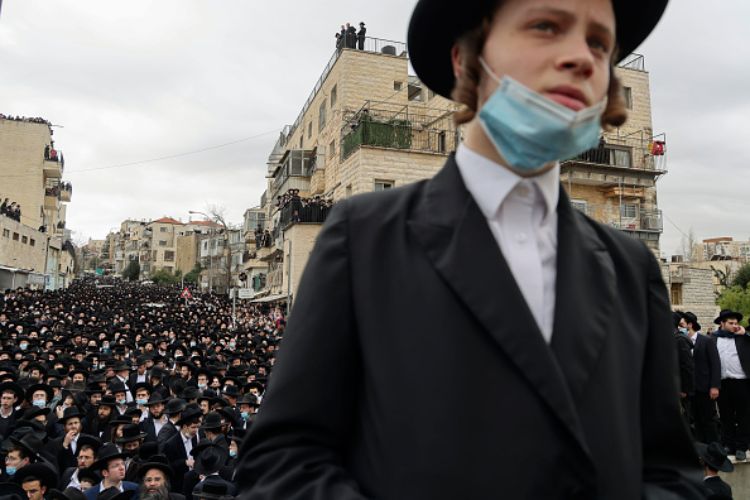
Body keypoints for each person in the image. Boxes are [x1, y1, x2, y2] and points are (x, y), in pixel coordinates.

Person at [236, 0, 704, 498]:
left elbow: (669, 470)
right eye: (546, 26)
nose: (583, 59)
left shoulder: (629, 266)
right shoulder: (365, 236)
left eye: (599, 43)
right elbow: (282, 462)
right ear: (466, 60)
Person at [714, 309, 750, 461]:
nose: (734, 326)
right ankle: (728, 444)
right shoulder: (713, 339)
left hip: (742, 382)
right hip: (723, 383)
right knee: (726, 415)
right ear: (722, 323)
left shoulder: (743, 338)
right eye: (731, 323)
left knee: (744, 416)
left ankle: (742, 446)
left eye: (736, 323)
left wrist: (746, 335)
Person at [685, 311, 722, 444]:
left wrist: (714, 386)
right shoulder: (682, 342)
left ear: (690, 325)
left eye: (682, 324)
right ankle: (702, 449)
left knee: (709, 419)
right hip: (691, 390)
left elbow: (715, 364)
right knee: (696, 420)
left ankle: (714, 448)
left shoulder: (706, 341)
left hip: (705, 388)